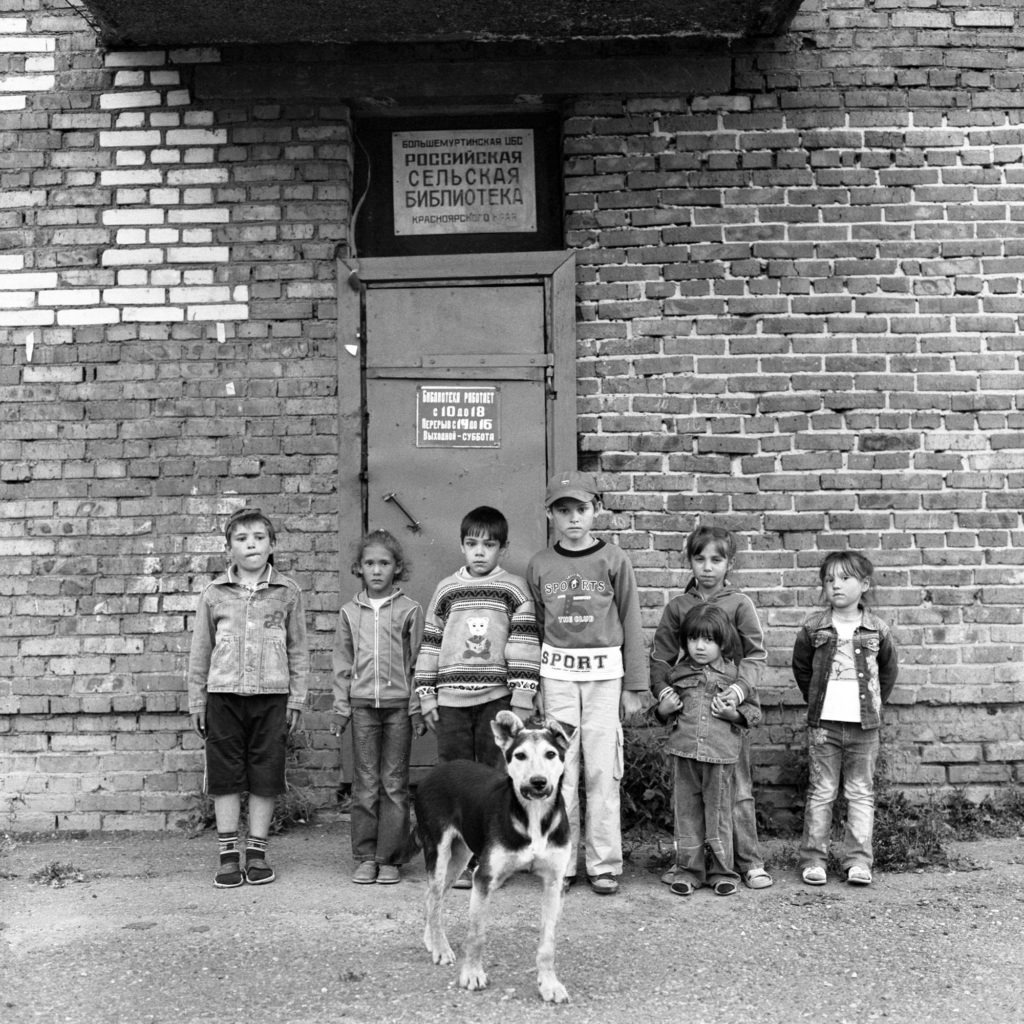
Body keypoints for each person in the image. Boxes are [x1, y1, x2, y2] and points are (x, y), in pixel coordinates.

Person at [527, 471, 648, 896]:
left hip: (603, 676)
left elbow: (631, 618)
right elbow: (536, 626)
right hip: (557, 674)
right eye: (564, 511)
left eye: (581, 509)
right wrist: (535, 682)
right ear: (550, 514)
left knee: (602, 770)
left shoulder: (613, 559)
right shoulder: (541, 564)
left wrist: (635, 684)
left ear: (595, 510)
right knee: (561, 772)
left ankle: (603, 863)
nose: (573, 519)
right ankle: (561, 861)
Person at [414, 505, 541, 884]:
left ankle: (493, 854)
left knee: (493, 779)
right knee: (455, 777)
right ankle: (456, 856)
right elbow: (431, 644)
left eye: (489, 544)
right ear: (462, 546)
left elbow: (523, 645)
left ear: (503, 547)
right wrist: (426, 695)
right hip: (451, 701)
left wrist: (521, 696)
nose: (480, 552)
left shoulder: (513, 589)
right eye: (472, 544)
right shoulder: (447, 589)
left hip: (496, 700)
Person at [187, 508, 308, 888]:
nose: (251, 544)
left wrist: (296, 699)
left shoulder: (287, 593)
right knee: (224, 777)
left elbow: (299, 650)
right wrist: (197, 701)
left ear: (272, 545)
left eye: (258, 537)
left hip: (272, 697)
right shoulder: (214, 594)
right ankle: (227, 856)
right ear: (228, 550)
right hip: (222, 697)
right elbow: (200, 651)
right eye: (241, 539)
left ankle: (256, 853)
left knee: (265, 776)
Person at [649, 524, 772, 889]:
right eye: (699, 559)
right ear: (689, 561)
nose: (707, 567)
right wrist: (661, 695)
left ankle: (748, 862)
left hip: (728, 713)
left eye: (716, 560)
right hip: (691, 714)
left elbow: (756, 654)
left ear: (729, 563)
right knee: (693, 798)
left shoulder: (738, 604)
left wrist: (738, 691)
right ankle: (694, 865)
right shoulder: (679, 607)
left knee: (738, 790)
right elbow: (660, 658)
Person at [792, 550, 899, 887]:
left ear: (865, 584)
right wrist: (816, 702)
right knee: (821, 792)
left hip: (864, 727)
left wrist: (873, 708)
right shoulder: (814, 627)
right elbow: (802, 668)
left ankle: (858, 862)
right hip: (824, 726)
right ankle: (814, 860)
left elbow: (888, 673)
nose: (835, 585)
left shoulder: (877, 630)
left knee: (860, 793)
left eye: (844, 578)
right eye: (829, 579)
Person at [331, 529, 424, 885]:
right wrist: (341, 709)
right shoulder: (349, 613)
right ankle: (366, 856)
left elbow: (417, 663)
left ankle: (391, 858)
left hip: (399, 708)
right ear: (359, 567)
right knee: (365, 783)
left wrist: (416, 708)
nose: (376, 570)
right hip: (363, 709)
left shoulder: (410, 610)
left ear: (397, 568)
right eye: (369, 563)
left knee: (395, 783)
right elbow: (342, 663)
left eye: (384, 563)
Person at [652, 605, 761, 896]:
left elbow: (754, 714)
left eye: (708, 640)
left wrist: (733, 715)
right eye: (693, 639)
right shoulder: (677, 674)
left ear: (722, 642)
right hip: (685, 754)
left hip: (721, 756)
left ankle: (723, 871)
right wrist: (663, 710)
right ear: (684, 641)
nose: (700, 646)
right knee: (687, 815)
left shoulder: (735, 677)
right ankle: (689, 870)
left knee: (720, 815)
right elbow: (664, 714)